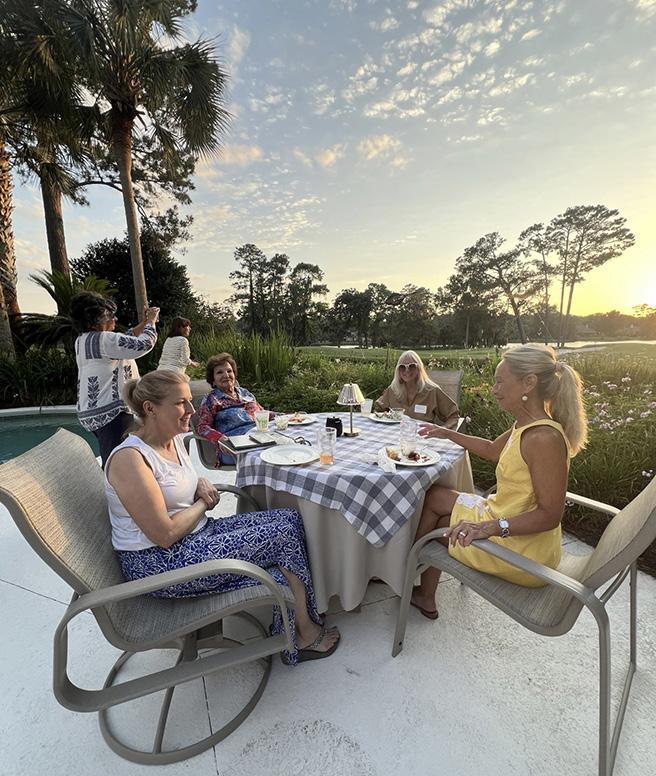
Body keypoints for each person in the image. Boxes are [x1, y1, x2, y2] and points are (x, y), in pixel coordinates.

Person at [104, 370, 340, 665]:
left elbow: (176, 487)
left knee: (290, 519)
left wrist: (201, 484)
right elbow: (164, 535)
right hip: (159, 563)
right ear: (150, 409)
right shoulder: (130, 459)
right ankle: (303, 634)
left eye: (190, 401)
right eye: (180, 403)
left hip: (195, 537)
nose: (191, 410)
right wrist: (204, 503)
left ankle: (295, 625)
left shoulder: (172, 440)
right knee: (281, 539)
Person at [409, 344, 588, 620]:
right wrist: (446, 433)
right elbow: (492, 449)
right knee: (435, 496)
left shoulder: (544, 439)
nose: (494, 389)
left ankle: (411, 577)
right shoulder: (526, 425)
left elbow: (550, 515)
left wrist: (487, 528)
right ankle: (419, 585)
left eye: (500, 381)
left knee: (441, 525)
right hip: (503, 516)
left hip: (525, 552)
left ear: (529, 383)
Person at [71, 290, 160, 466]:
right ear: (95, 321)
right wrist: (151, 321)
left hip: (94, 412)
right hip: (112, 414)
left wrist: (143, 323)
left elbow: (126, 339)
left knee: (114, 456)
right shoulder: (105, 340)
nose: (115, 319)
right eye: (110, 316)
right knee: (119, 462)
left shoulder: (83, 340)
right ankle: (117, 484)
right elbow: (145, 343)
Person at [196, 352, 272, 466]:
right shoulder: (211, 400)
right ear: (213, 380)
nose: (226, 375)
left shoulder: (245, 393)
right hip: (233, 445)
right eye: (219, 372)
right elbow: (202, 427)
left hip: (258, 437)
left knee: (284, 445)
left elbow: (263, 414)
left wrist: (289, 417)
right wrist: (219, 438)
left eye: (229, 371)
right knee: (266, 457)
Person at [374, 350, 459, 428]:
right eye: (402, 367)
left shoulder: (432, 391)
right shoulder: (393, 390)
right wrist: (386, 417)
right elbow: (378, 409)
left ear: (419, 369)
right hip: (395, 435)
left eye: (412, 366)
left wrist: (443, 429)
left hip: (423, 435)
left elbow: (453, 415)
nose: (407, 370)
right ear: (398, 370)